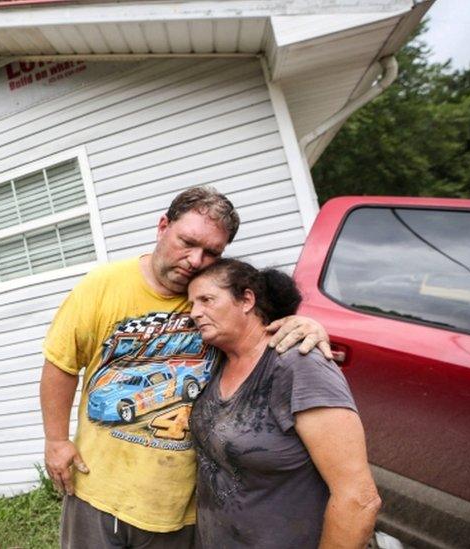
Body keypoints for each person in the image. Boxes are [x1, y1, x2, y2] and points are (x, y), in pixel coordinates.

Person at [40, 186, 333, 548]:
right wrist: (55, 440)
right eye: (187, 242)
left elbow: (260, 324)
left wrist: (306, 324)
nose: (195, 260)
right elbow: (61, 363)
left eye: (211, 252)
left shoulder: (218, 299)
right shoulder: (102, 286)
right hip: (101, 487)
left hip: (185, 502)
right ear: (163, 226)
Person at [187, 259, 380, 548]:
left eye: (206, 300)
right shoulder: (215, 363)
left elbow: (358, 499)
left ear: (247, 300)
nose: (194, 313)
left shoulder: (298, 364)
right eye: (191, 304)